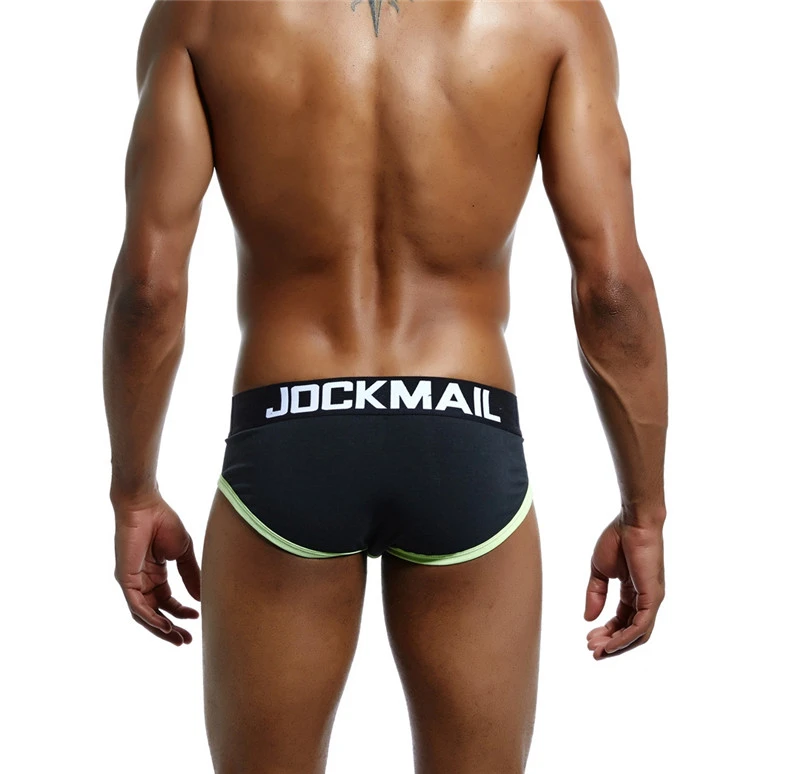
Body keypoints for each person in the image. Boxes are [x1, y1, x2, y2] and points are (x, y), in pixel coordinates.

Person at [103, 1, 667, 772]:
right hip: (463, 427)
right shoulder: (552, 13)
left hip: (289, 425)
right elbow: (611, 291)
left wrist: (133, 492)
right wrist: (644, 512)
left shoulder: (200, 14)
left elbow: (149, 288)